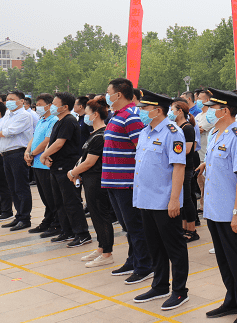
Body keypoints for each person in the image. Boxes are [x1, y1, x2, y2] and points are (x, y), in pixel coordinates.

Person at [198, 88, 237, 323]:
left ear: (224, 111)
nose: (208, 111)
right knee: (224, 260)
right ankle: (232, 301)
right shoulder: (216, 133)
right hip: (215, 209)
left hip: (231, 211)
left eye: (212, 108)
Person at [130, 90, 189, 310]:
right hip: (145, 199)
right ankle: (160, 285)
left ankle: (180, 291)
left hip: (164, 201)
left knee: (174, 247)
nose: (140, 112)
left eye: (144, 108)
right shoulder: (145, 132)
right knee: (154, 246)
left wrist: (174, 200)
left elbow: (179, 167)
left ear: (157, 110)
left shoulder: (172, 133)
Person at [103, 78, 152, 284]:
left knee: (135, 225)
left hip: (127, 181)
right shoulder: (116, 115)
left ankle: (145, 266)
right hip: (113, 180)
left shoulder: (132, 116)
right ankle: (133, 260)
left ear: (119, 94)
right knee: (127, 226)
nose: (106, 96)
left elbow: (141, 149)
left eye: (108, 93)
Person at [68, 97, 116, 268]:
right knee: (95, 216)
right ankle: (101, 247)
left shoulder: (100, 136)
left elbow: (89, 162)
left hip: (97, 180)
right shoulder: (93, 134)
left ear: (95, 115)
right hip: (89, 179)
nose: (85, 116)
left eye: (87, 113)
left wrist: (73, 172)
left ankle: (107, 253)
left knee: (101, 216)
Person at [41, 92, 93, 248]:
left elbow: (59, 143)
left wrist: (44, 155)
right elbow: (52, 142)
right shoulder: (59, 121)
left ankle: (82, 234)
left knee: (71, 201)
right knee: (60, 201)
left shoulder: (69, 121)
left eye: (55, 104)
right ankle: (67, 231)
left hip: (66, 167)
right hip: (56, 166)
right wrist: (47, 156)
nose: (52, 106)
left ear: (64, 107)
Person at [26, 94, 60, 236]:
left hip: (45, 164)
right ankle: (48, 221)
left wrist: (33, 153)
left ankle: (57, 224)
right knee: (45, 196)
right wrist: (27, 152)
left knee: (51, 197)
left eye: (40, 104)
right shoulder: (41, 119)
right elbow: (34, 137)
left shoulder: (54, 120)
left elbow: (47, 140)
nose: (38, 107)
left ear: (49, 105)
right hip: (37, 163)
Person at [0, 90, 34, 230]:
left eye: (12, 99)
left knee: (21, 186)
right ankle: (19, 216)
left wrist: (2, 132)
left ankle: (25, 218)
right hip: (6, 154)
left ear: (21, 101)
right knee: (12, 187)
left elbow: (10, 131)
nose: (8, 102)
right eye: (7, 99)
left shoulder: (24, 115)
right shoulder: (8, 114)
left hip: (18, 153)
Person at [170, 99, 199, 241]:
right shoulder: (176, 127)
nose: (170, 113)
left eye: (172, 110)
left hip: (186, 167)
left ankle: (192, 230)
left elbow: (187, 149)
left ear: (180, 111)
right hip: (178, 166)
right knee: (181, 199)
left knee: (187, 199)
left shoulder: (187, 128)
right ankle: (183, 228)